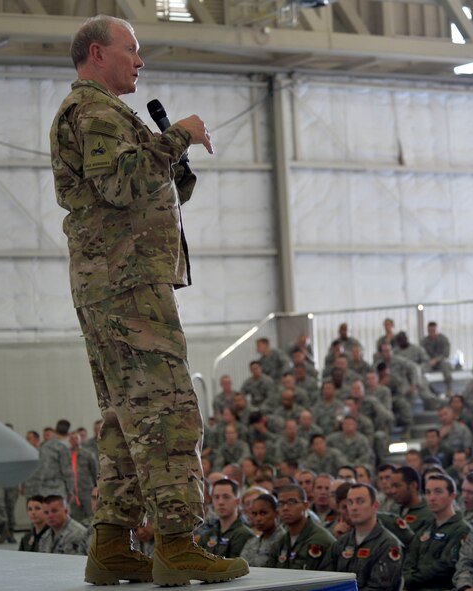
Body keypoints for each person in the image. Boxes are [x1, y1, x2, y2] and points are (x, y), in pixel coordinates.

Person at [50, 15, 247, 585]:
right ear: (97, 53)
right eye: (131, 50)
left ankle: (112, 543)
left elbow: (152, 185)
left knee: (125, 419)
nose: (140, 61)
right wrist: (178, 133)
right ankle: (178, 544)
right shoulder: (92, 111)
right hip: (126, 284)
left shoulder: (107, 113)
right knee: (167, 413)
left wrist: (172, 160)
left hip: (116, 282)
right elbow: (121, 184)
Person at [322, 484, 403, 591]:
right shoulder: (341, 543)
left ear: (375, 506)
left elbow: (379, 588)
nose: (354, 507)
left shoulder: (388, 544)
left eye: (360, 501)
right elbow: (325, 578)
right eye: (350, 502)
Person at [403, 474, 470, 591]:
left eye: (438, 492)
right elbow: (410, 557)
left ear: (452, 496)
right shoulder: (426, 527)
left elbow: (447, 565)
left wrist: (410, 578)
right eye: (428, 492)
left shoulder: (461, 529)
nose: (431, 497)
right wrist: (406, 577)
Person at [266, 484, 336, 570]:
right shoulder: (280, 543)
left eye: (292, 502)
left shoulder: (320, 540)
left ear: (305, 505)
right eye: (281, 503)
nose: (285, 508)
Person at [239, 493, 284, 567]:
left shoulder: (283, 541)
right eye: (254, 514)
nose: (258, 519)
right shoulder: (252, 542)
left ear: (276, 513)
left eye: (263, 513)